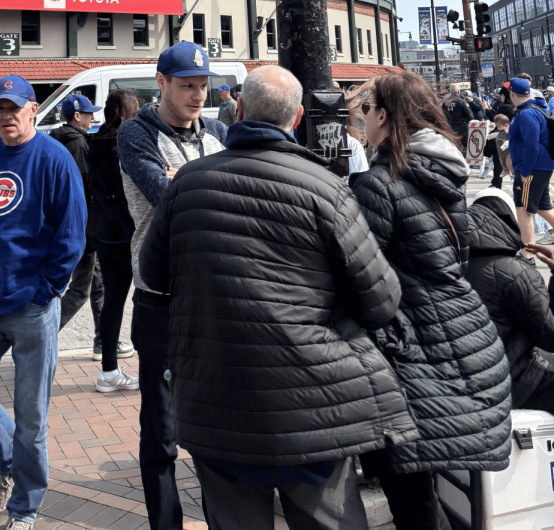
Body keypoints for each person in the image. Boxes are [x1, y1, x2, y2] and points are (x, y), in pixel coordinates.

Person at [140, 65, 417, 530]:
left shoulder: (186, 184)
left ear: (239, 110)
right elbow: (382, 299)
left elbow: (152, 273)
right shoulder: (326, 188)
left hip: (216, 398)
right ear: (297, 118)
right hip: (313, 403)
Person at [351, 72, 512, 528]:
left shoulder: (380, 183)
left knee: (412, 495)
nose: (363, 119)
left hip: (417, 348)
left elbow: (363, 276)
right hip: (468, 335)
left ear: (384, 115)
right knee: (439, 486)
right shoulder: (444, 168)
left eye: (368, 110)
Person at [0, 74, 86, 530]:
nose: (7, 116)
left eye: (15, 107)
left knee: (33, 418)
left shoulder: (55, 160)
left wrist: (47, 290)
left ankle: (25, 507)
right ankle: (8, 457)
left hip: (32, 306)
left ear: (33, 110)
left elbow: (72, 237)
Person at [118, 42, 226, 530]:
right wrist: (205, 184)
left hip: (211, 296)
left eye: (203, 85)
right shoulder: (134, 134)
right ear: (160, 83)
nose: (198, 95)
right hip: (159, 300)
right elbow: (167, 198)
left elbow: (225, 199)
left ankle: (223, 516)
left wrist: (185, 177)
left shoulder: (219, 131)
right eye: (187, 85)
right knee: (161, 428)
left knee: (216, 425)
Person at [467, 188, 554, 413]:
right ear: (509, 221)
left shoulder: (443, 264)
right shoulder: (515, 272)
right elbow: (550, 335)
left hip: (455, 385)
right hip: (508, 383)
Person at [87, 89, 139, 392]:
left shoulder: (96, 140)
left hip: (104, 231)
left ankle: (109, 370)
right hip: (130, 230)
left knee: (113, 302)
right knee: (150, 297)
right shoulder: (127, 142)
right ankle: (160, 365)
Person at [49, 95, 106, 353]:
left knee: (98, 282)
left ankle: (104, 340)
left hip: (62, 223)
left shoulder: (55, 139)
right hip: (79, 227)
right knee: (81, 289)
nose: (92, 117)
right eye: (88, 113)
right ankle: (39, 335)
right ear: (77, 116)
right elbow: (84, 190)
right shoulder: (78, 145)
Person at [508, 76, 554, 247]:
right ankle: (528, 251)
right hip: (540, 165)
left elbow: (531, 146)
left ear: (512, 93)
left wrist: (525, 172)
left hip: (532, 168)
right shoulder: (533, 109)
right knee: (541, 207)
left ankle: (527, 253)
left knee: (523, 209)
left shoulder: (526, 114)